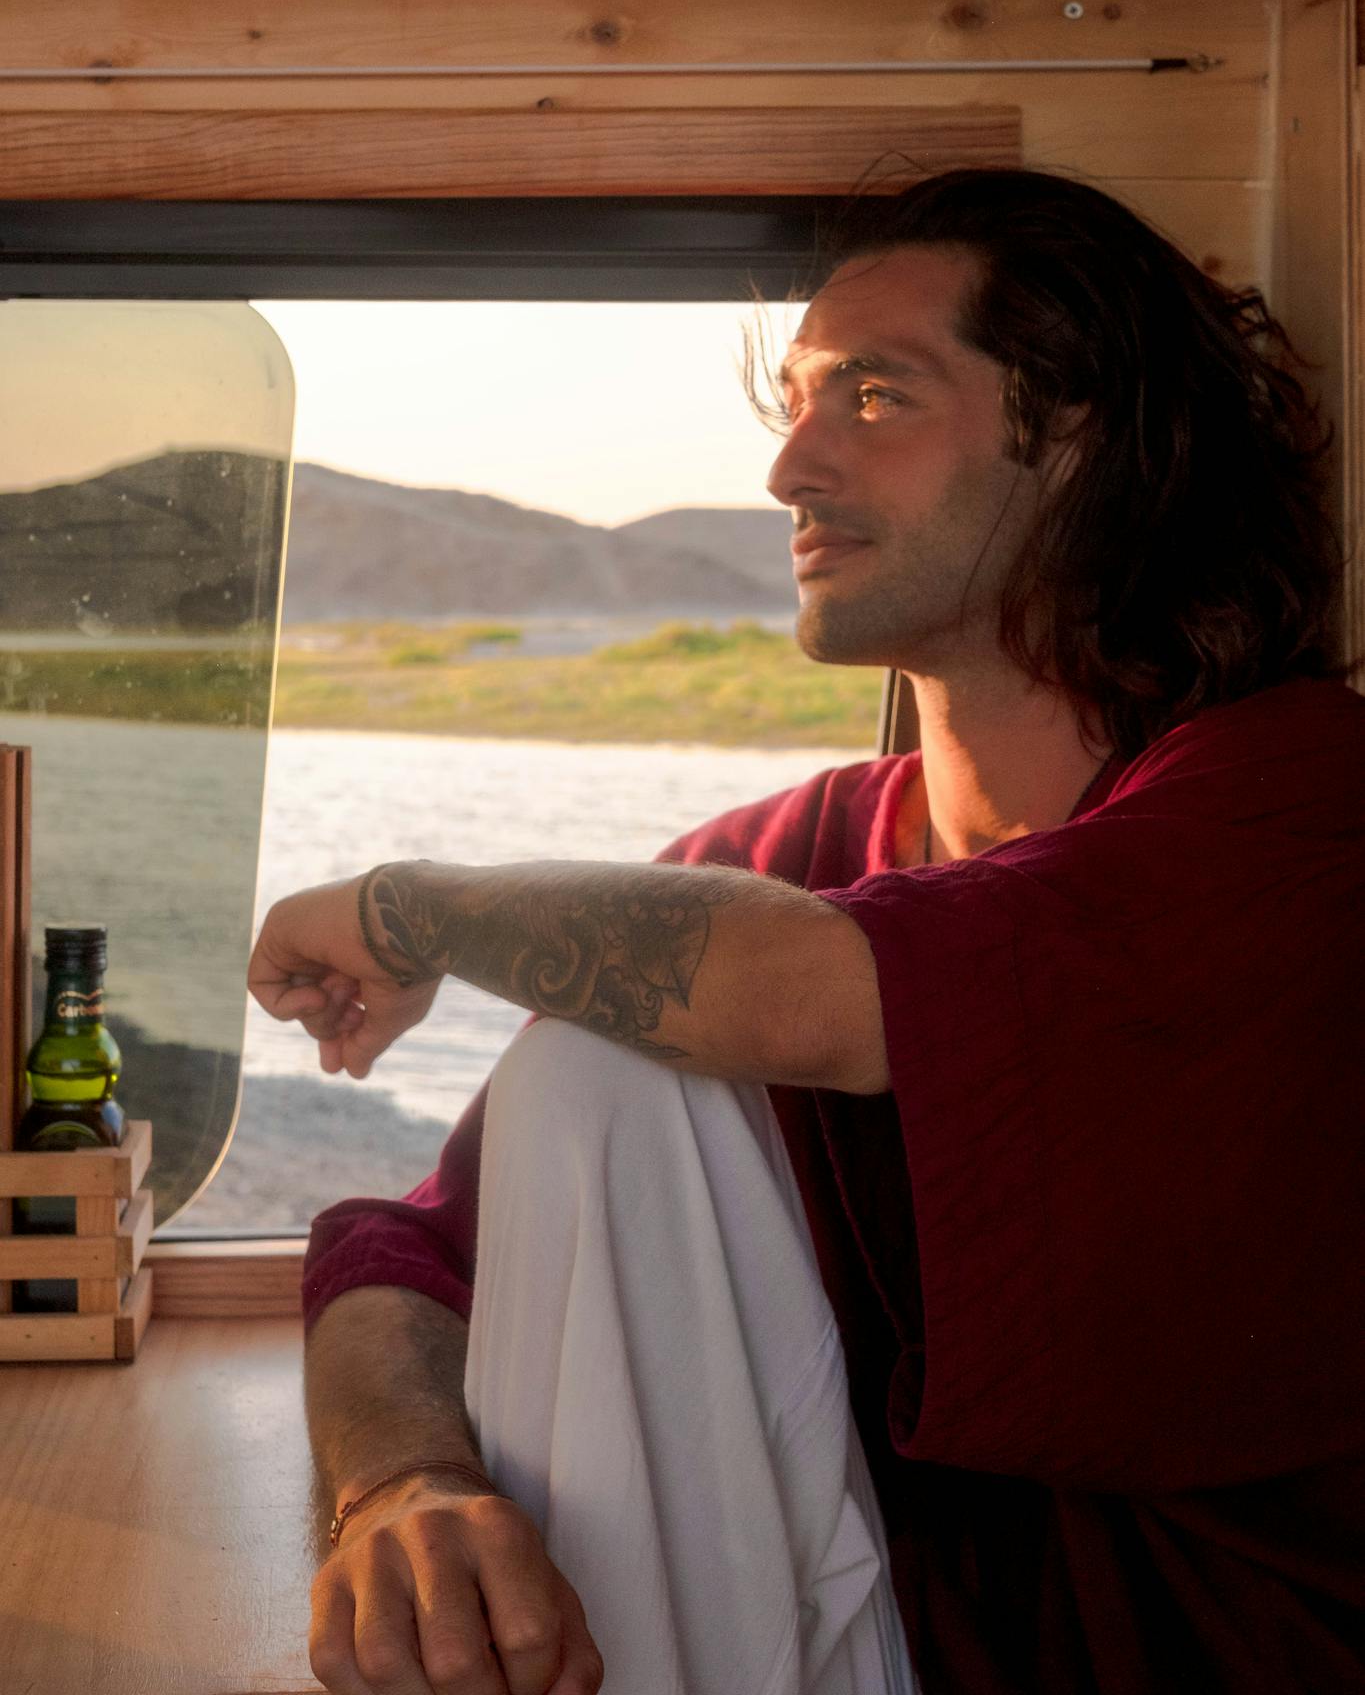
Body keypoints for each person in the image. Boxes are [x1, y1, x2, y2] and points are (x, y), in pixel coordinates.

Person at [248, 168, 1365, 1695]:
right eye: (795, 401)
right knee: (598, 1066)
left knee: (611, 1048)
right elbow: (408, 1261)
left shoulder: (1289, 796)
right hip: (865, 1649)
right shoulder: (773, 862)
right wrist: (404, 1490)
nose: (789, 466)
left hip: (1222, 1653)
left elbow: (830, 996)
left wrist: (409, 905)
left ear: (1081, 441)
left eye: (876, 396)